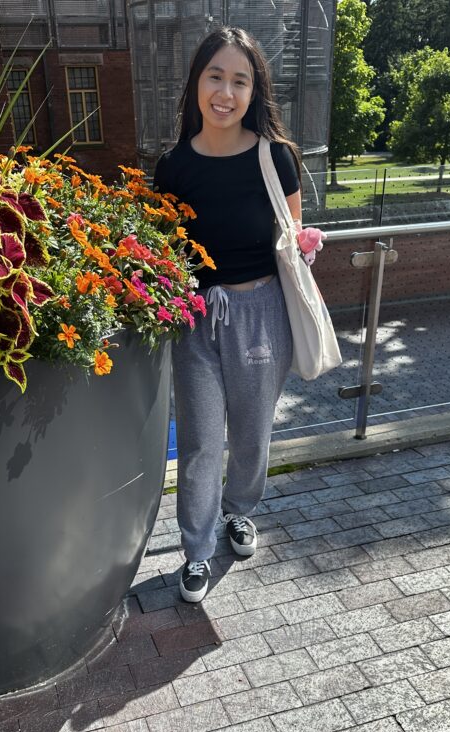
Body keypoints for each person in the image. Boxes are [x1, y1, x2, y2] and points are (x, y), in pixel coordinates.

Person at [154, 25, 304, 604]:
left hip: (262, 311)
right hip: (194, 317)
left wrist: (310, 243)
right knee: (197, 441)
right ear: (196, 84)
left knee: (251, 433)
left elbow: (294, 238)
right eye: (215, 76)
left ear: (254, 91)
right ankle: (196, 549)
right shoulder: (173, 165)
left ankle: (240, 513)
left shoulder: (276, 159)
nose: (226, 91)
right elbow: (160, 245)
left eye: (239, 80)